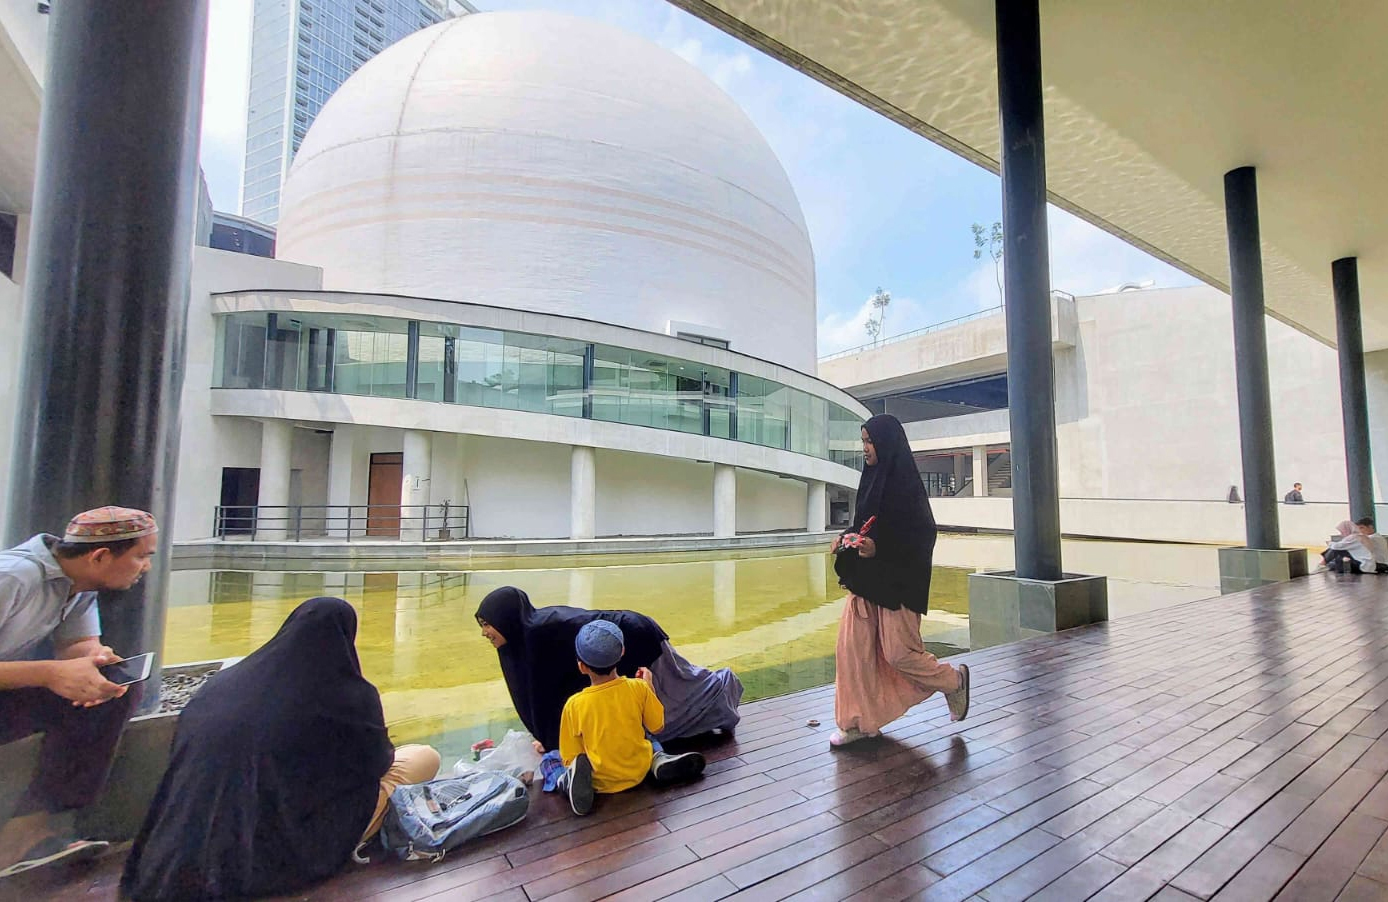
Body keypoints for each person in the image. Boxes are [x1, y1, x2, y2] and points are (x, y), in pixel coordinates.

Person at [121, 597, 440, 900]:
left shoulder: (221, 684)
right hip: (277, 849)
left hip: (175, 844)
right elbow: (378, 763)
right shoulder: (347, 694)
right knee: (423, 758)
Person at [0, 507, 159, 878]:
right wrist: (50, 673)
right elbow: (53, 669)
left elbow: (78, 646)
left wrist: (93, 660)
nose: (146, 567)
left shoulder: (80, 585)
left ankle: (27, 829)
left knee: (109, 692)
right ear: (100, 556)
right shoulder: (13, 578)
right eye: (141, 556)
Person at [830, 414, 970, 748]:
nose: (865, 448)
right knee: (851, 652)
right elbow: (864, 525)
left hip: (897, 585)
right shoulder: (870, 480)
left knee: (899, 654)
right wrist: (847, 539)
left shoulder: (906, 487)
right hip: (866, 582)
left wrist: (880, 547)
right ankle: (857, 723)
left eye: (870, 441)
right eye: (863, 441)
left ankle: (954, 681)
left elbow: (921, 535)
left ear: (886, 444)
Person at [475, 586, 741, 753]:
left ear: (507, 619)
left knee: (680, 694)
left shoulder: (538, 635)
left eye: (488, 624)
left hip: (637, 637)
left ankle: (724, 689)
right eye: (482, 625)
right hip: (616, 642)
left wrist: (554, 741)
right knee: (669, 699)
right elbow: (553, 695)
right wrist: (549, 738)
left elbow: (549, 695)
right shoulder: (519, 642)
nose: (485, 633)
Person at [558, 620, 706, 816]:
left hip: (601, 780)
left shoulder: (574, 705)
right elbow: (657, 726)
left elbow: (570, 755)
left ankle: (566, 782)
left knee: (551, 760)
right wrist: (649, 687)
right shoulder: (638, 688)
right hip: (639, 769)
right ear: (622, 652)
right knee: (648, 736)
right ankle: (657, 760)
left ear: (582, 667)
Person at [1323, 518, 1388, 574]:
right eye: (1358, 528)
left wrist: (1329, 543)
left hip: (1377, 565)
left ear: (1370, 527)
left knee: (1336, 553)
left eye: (1362, 527)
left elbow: (1338, 546)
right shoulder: (1377, 537)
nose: (1360, 530)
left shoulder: (1368, 538)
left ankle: (1322, 564)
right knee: (1338, 556)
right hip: (1380, 564)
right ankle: (1325, 564)